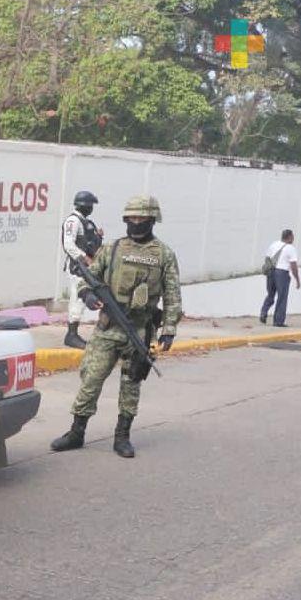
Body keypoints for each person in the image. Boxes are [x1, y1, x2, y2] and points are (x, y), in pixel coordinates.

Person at [50, 195, 182, 458]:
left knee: (131, 384)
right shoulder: (112, 249)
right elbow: (89, 278)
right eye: (131, 218)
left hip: (140, 330)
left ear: (151, 220)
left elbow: (172, 295)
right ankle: (77, 431)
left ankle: (122, 436)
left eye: (141, 218)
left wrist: (168, 330)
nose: (135, 223)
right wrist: (88, 295)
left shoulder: (164, 255)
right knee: (91, 378)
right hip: (108, 327)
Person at [60, 191, 104, 349]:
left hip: (87, 269)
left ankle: (73, 333)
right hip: (77, 268)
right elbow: (69, 245)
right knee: (78, 298)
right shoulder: (73, 221)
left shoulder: (86, 222)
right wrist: (84, 258)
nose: (91, 208)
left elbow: (91, 243)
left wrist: (98, 236)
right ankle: (71, 335)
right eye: (90, 205)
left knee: (83, 298)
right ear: (84, 205)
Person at [259, 229, 300, 326]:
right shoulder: (290, 248)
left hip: (271, 272)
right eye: (293, 236)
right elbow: (293, 266)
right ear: (289, 237)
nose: (293, 238)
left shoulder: (274, 244)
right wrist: (297, 279)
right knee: (282, 297)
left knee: (270, 294)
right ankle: (278, 321)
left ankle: (263, 312)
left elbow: (267, 258)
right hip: (282, 274)